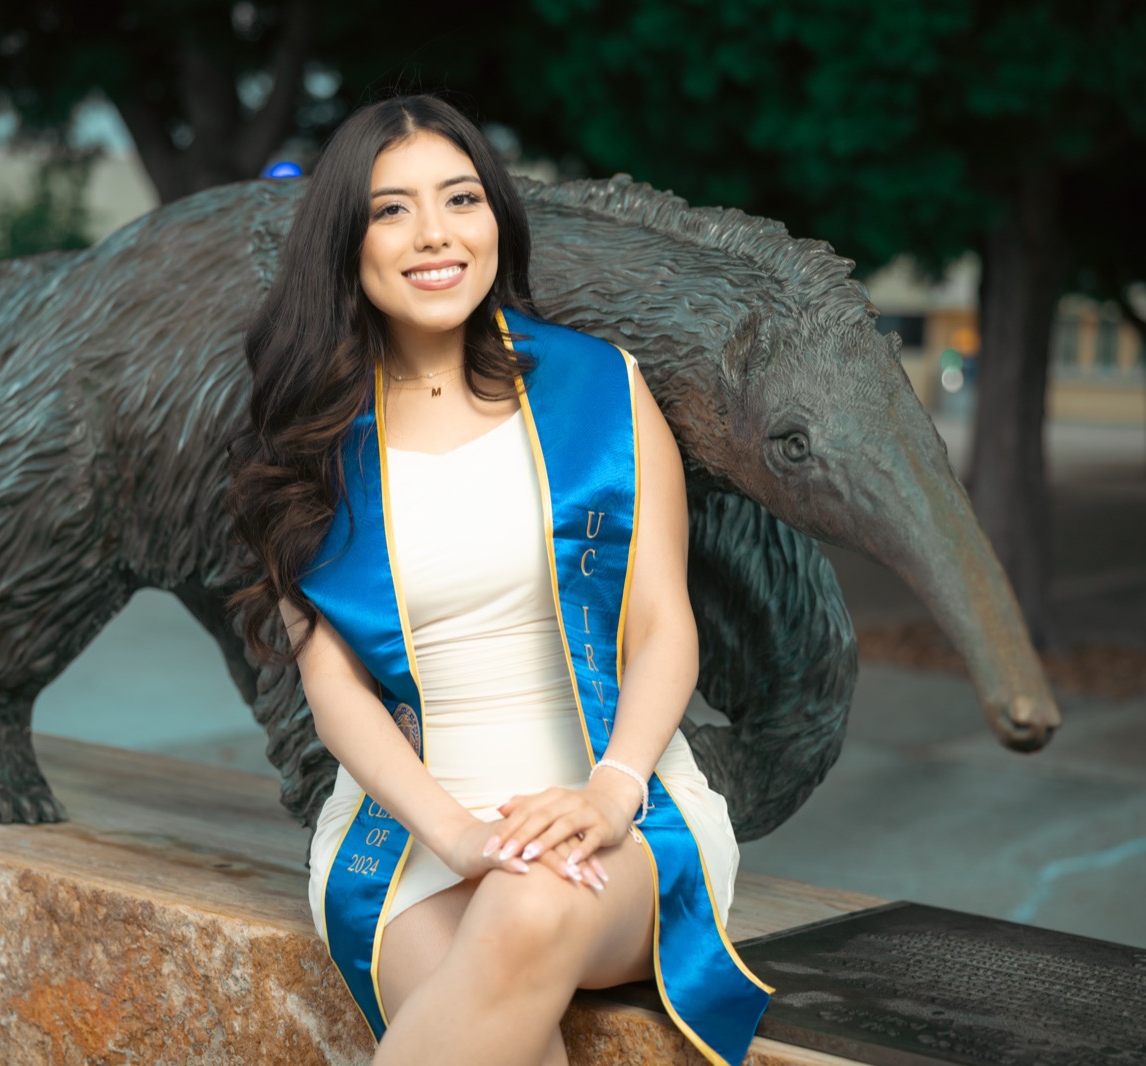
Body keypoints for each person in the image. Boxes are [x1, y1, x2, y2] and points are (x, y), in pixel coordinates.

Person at [226, 94, 770, 1066]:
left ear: (496, 219)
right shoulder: (312, 438)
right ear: (344, 241)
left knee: (527, 905)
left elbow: (660, 623)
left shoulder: (600, 386)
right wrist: (459, 835)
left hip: (622, 809)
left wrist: (609, 793)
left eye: (460, 198)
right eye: (391, 209)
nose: (433, 234)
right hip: (409, 835)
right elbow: (334, 689)